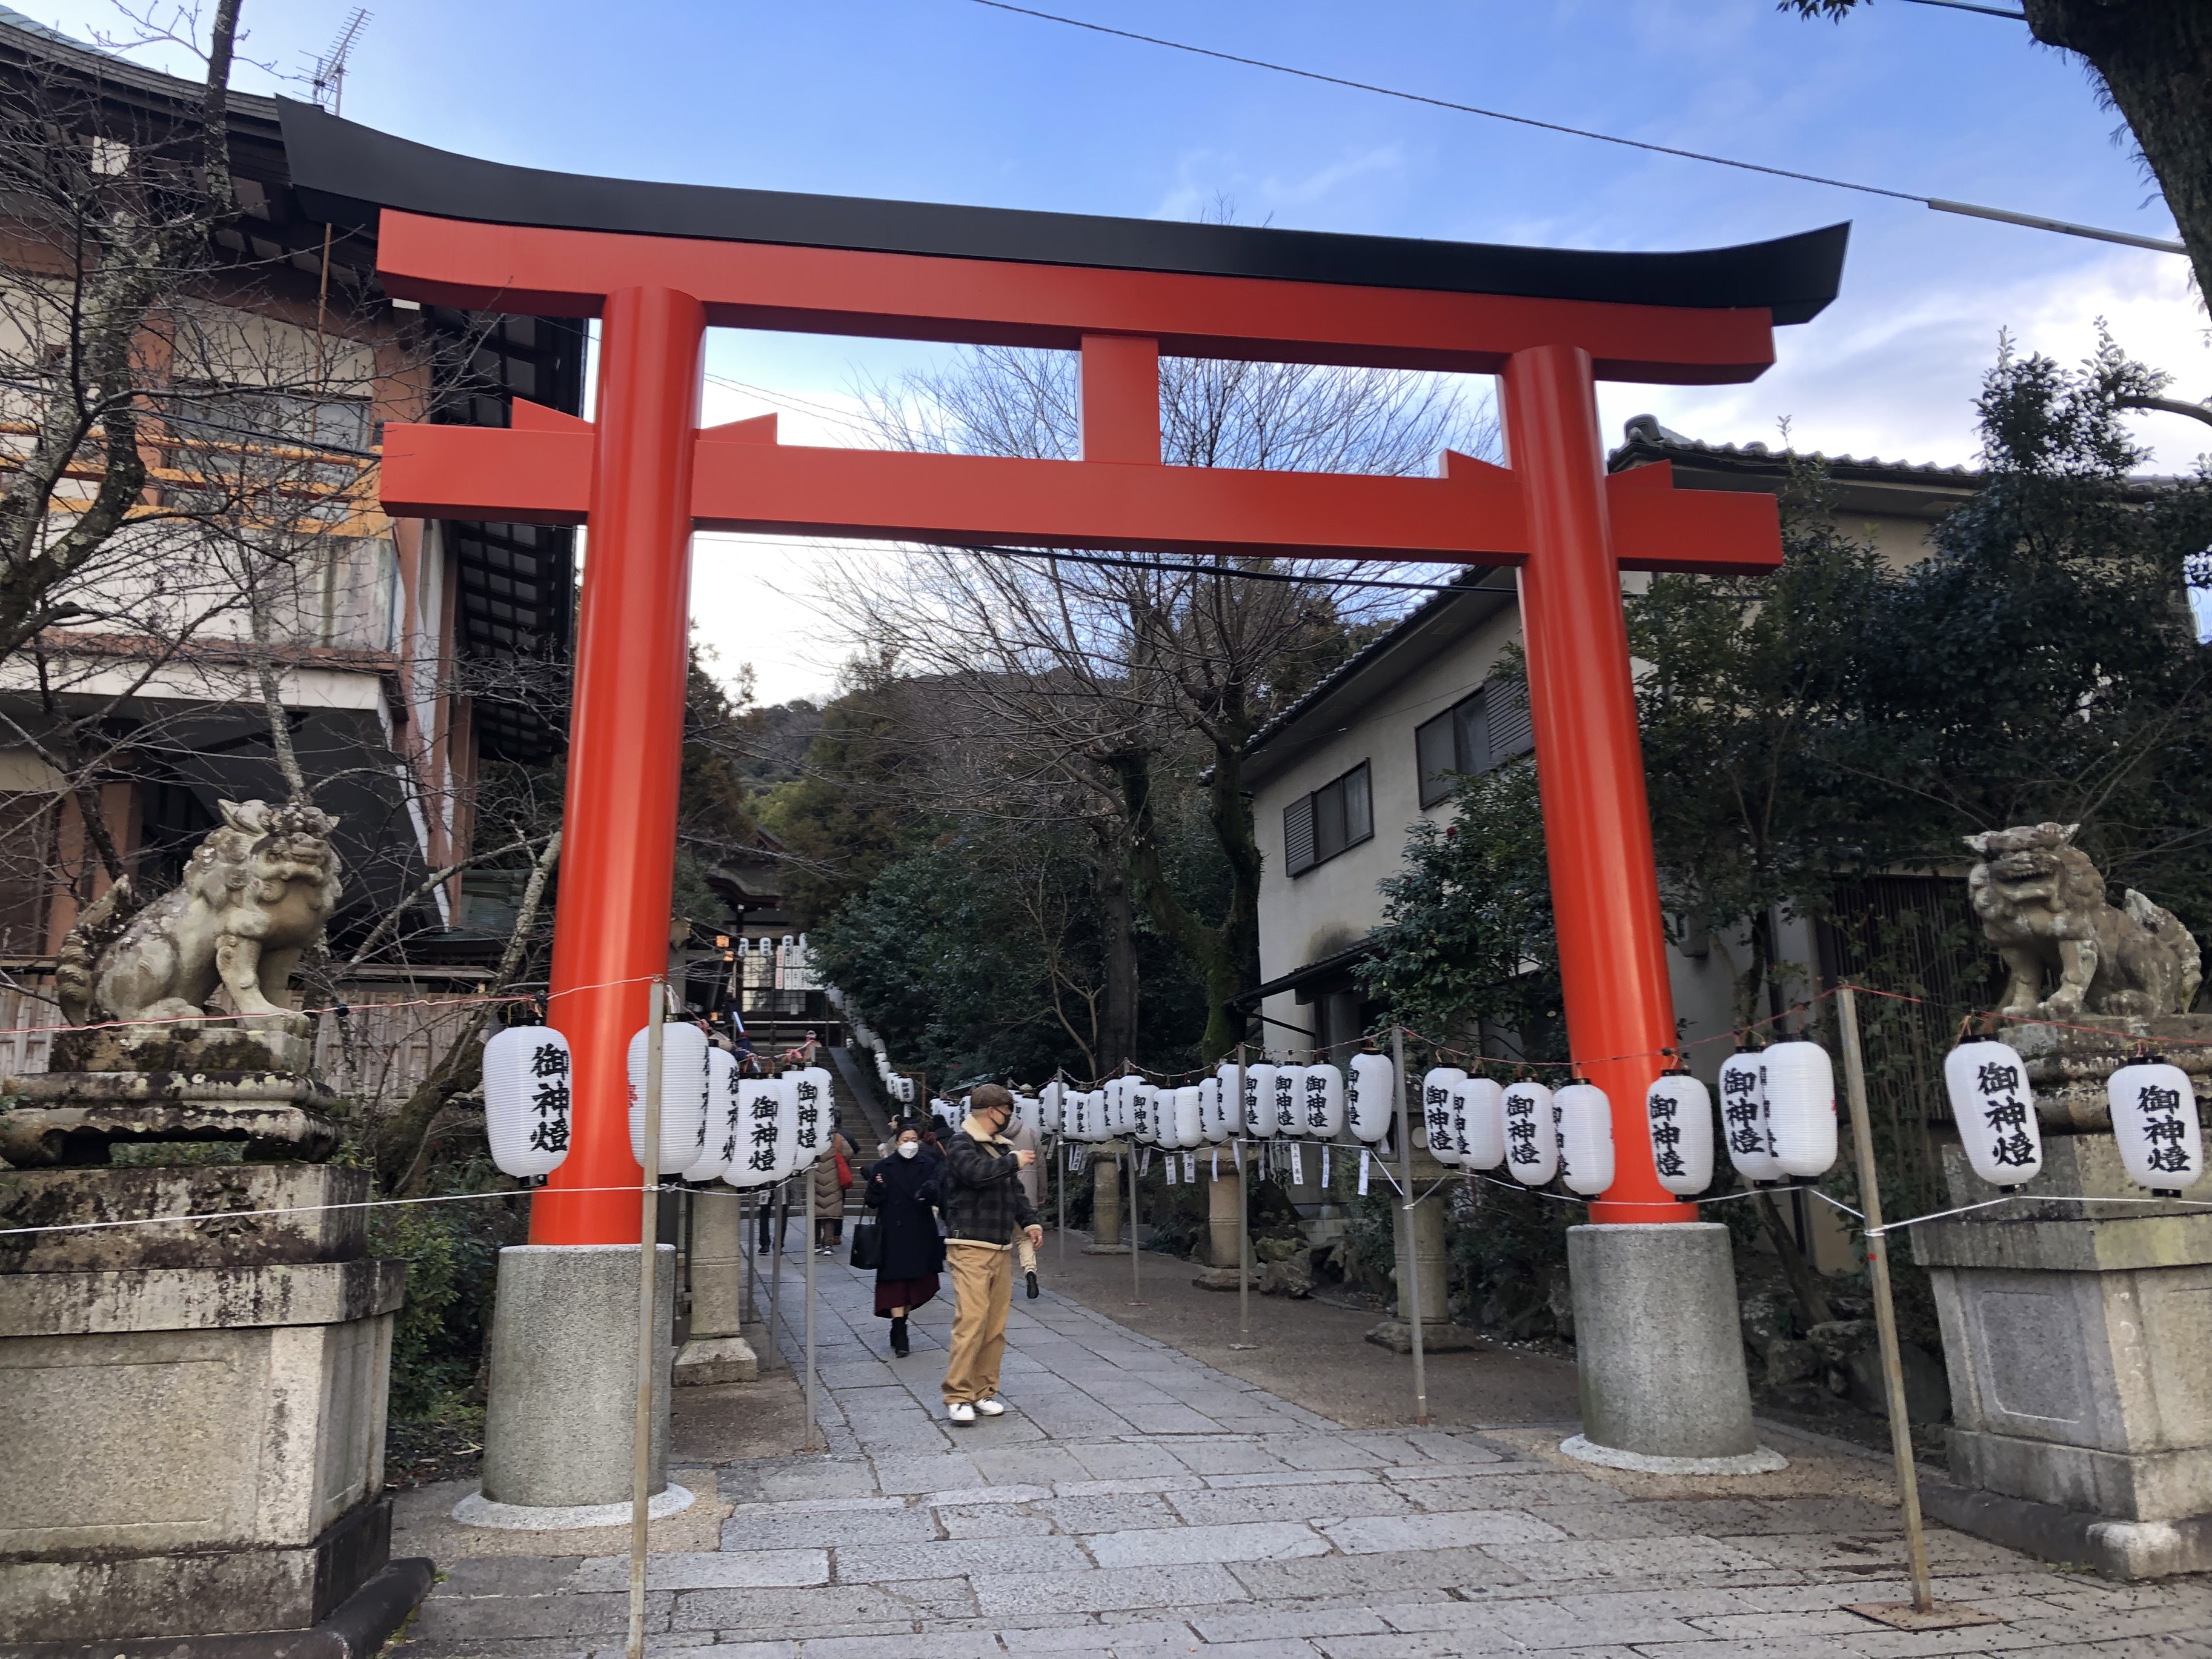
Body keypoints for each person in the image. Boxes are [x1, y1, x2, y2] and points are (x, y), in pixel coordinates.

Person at [933, 1083, 1040, 1425]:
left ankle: (984, 1391)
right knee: (972, 1321)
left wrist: (1030, 1222)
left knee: (995, 1326)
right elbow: (974, 1175)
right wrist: (1012, 1160)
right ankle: (958, 1395)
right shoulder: (961, 1143)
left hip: (1000, 1246)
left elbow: (1016, 1193)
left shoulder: (999, 1147)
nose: (1009, 1117)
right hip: (969, 1245)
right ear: (994, 1111)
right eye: (1007, 1110)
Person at [865, 1124, 943, 1357]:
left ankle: (902, 1320)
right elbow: (871, 1201)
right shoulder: (882, 1167)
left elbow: (939, 1191)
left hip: (920, 1231)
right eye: (904, 1139)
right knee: (895, 1285)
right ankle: (900, 1332)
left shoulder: (928, 1165)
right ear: (896, 1142)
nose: (909, 1143)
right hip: (892, 1232)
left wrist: (928, 1193)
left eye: (913, 1139)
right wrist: (878, 1187)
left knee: (913, 1284)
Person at [813, 1125, 853, 1253]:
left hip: (815, 1178)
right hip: (833, 1179)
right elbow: (849, 1153)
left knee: (816, 1214)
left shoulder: (813, 1137)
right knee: (830, 1215)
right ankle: (828, 1244)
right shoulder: (837, 1138)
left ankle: (816, 1243)